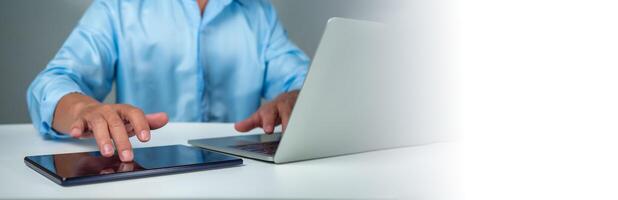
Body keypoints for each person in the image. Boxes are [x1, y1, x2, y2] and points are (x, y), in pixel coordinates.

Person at [26, 0, 309, 162]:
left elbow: (304, 79)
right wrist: (81, 110)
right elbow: (53, 82)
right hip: (144, 178)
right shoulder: (117, 7)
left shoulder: (258, 12)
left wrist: (300, 96)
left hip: (243, 178)